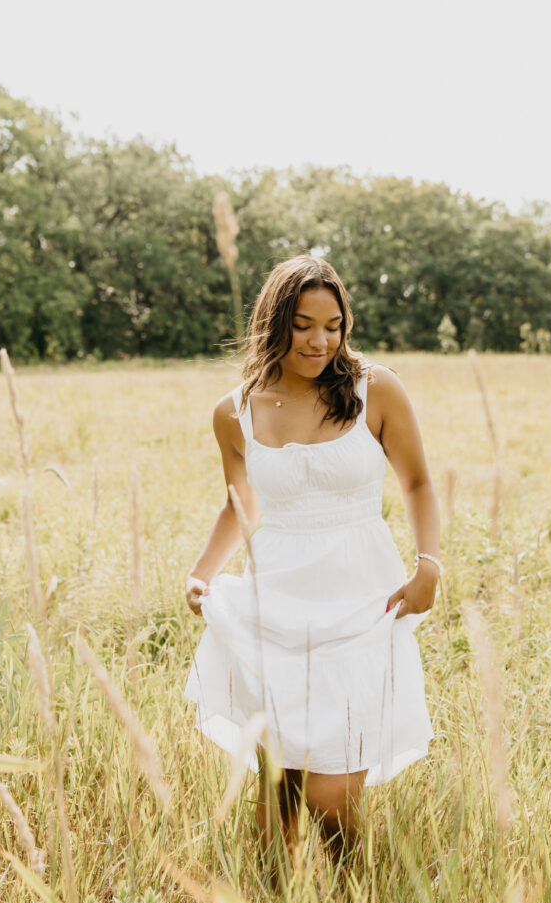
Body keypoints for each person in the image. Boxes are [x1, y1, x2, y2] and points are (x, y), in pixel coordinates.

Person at [184, 254, 440, 863]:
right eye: (302, 324)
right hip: (275, 603)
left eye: (332, 324)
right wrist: (201, 573)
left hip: (359, 602)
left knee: (332, 792)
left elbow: (419, 484)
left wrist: (428, 562)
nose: (319, 340)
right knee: (282, 786)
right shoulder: (235, 411)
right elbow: (241, 504)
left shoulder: (375, 388)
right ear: (274, 324)